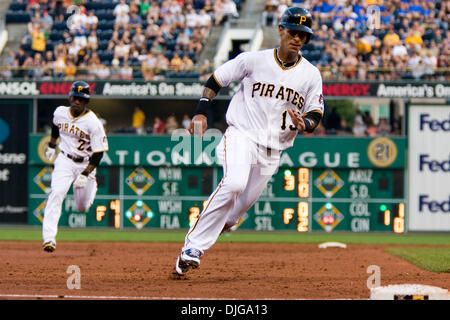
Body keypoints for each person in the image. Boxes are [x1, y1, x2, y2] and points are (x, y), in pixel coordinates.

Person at [173, 7, 324, 277]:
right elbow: (216, 79)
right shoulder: (253, 60)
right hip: (241, 134)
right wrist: (200, 111)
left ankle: (213, 228)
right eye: (293, 31)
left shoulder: (311, 75)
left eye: (303, 35)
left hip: (273, 149)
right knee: (233, 183)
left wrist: (307, 124)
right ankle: (191, 249)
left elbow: (315, 111)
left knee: (234, 215)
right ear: (280, 30)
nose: (297, 38)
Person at [42, 81, 109, 252]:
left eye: (81, 99)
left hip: (86, 164)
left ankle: (91, 186)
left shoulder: (93, 123)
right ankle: (49, 239)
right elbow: (56, 127)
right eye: (75, 97)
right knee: (56, 194)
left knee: (82, 207)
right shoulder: (60, 112)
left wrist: (85, 174)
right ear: (70, 97)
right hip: (64, 160)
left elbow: (99, 153)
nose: (77, 101)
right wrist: (51, 145)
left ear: (86, 101)